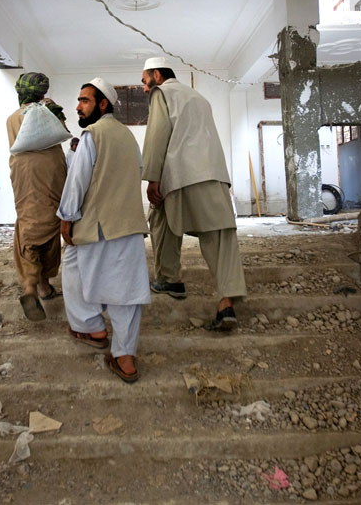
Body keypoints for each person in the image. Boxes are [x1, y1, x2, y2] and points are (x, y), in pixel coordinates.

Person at [141, 57, 247, 330]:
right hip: (214, 173)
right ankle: (226, 304)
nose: (144, 88)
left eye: (144, 81)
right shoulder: (198, 98)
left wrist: (152, 177)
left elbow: (157, 135)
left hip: (182, 173)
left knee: (159, 215)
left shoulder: (161, 93)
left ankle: (169, 279)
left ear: (156, 75)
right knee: (220, 235)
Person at [58, 78, 151, 383]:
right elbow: (138, 171)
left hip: (97, 226)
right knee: (127, 293)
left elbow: (78, 180)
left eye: (84, 101)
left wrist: (67, 216)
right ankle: (124, 357)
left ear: (102, 104)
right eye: (79, 100)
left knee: (72, 268)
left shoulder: (91, 135)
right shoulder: (126, 135)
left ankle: (92, 327)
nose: (78, 106)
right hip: (129, 226)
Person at [7, 72, 67, 321]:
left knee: (28, 224)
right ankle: (44, 285)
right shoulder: (51, 111)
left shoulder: (12, 119)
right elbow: (64, 131)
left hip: (23, 173)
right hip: (52, 171)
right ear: (42, 92)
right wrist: (50, 107)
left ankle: (31, 285)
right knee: (52, 222)